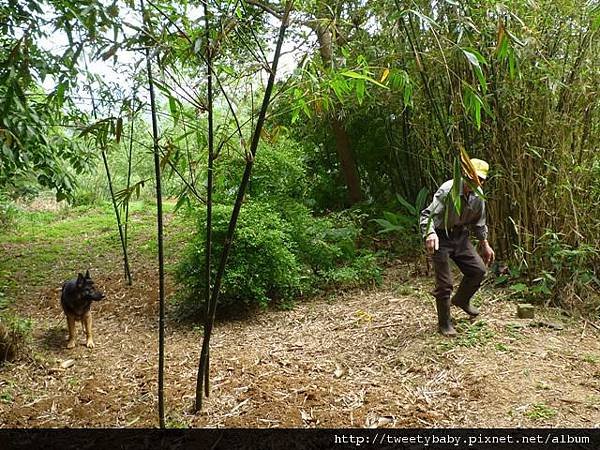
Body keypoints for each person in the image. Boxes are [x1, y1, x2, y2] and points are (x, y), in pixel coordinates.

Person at [419, 159, 495, 337]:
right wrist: (429, 234)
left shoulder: (478, 196)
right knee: (445, 283)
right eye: (470, 178)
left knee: (478, 270)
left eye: (479, 180)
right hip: (440, 235)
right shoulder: (448, 190)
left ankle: (462, 299)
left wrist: (484, 244)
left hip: (460, 236)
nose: (474, 183)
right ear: (464, 175)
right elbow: (427, 215)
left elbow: (479, 223)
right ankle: (444, 322)